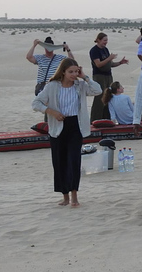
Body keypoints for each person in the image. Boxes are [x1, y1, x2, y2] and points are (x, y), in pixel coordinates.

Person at [32, 59, 102, 207]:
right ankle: (65, 196)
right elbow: (36, 103)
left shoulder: (81, 85)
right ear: (63, 71)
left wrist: (85, 77)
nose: (74, 74)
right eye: (71, 71)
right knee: (60, 162)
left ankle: (74, 196)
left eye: (76, 71)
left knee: (74, 161)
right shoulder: (52, 86)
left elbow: (98, 90)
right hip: (58, 127)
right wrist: (51, 111)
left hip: (75, 126)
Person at [89, 32, 129, 121]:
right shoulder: (94, 50)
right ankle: (95, 119)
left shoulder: (105, 50)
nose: (106, 42)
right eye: (104, 40)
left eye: (107, 40)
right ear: (98, 40)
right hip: (99, 76)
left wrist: (120, 62)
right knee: (100, 97)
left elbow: (110, 64)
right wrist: (109, 58)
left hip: (108, 76)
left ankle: (107, 118)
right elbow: (98, 64)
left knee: (108, 96)